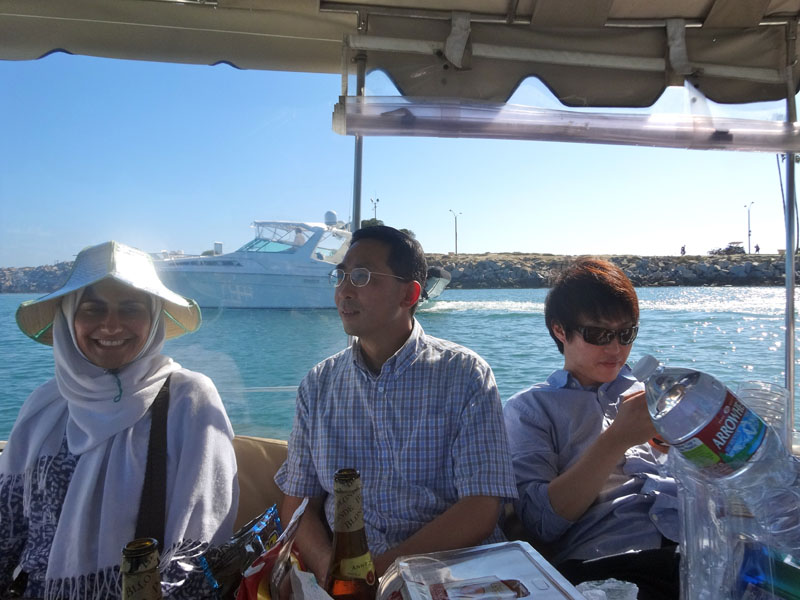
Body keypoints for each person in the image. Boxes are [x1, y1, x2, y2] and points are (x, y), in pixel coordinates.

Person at [275, 225, 517, 585]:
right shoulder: (317, 384)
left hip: (450, 574)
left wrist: (379, 574)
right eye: (341, 275)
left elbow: (481, 507)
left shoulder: (465, 374)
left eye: (361, 276)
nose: (344, 290)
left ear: (409, 293)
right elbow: (298, 502)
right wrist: (331, 571)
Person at [0, 241, 239, 599]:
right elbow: (8, 528)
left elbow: (200, 540)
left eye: (130, 308)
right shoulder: (45, 407)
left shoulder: (188, 398)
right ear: (68, 318)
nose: (111, 325)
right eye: (92, 309)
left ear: (154, 318)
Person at [503, 257, 679, 600]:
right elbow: (540, 523)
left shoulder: (655, 392)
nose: (616, 348)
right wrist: (616, 439)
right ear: (560, 330)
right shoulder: (531, 408)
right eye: (598, 334)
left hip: (697, 545)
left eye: (626, 333)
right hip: (611, 565)